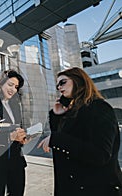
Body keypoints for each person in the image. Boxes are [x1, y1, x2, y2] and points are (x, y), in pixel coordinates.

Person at [37, 67, 122, 196]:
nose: (59, 87)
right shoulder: (73, 112)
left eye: (63, 82)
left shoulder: (99, 108)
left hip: (96, 188)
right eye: (57, 85)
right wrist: (57, 115)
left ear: (78, 81)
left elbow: (101, 154)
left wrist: (57, 139)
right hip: (72, 188)